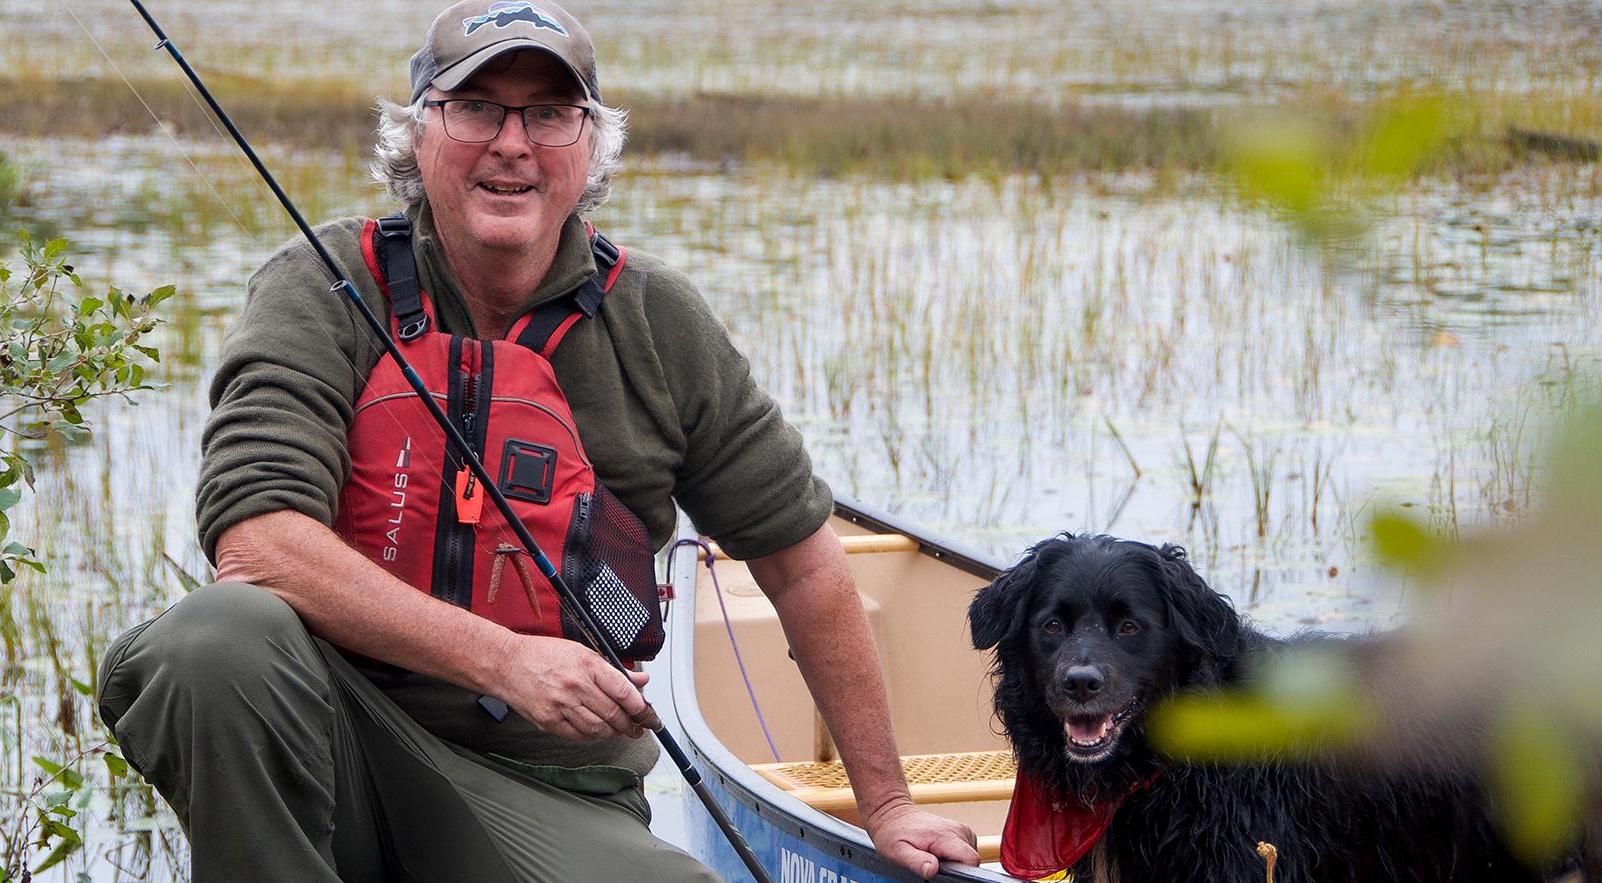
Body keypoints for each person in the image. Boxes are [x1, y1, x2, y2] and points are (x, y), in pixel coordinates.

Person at [97, 1, 981, 880]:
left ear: (590, 146)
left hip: (555, 789)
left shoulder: (658, 322)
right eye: (475, 107)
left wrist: (889, 804)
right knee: (214, 639)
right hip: (339, 747)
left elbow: (806, 564)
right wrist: (505, 659)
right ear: (418, 135)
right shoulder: (322, 287)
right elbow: (260, 546)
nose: (512, 144)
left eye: (550, 114)